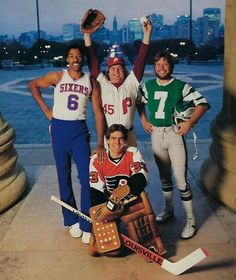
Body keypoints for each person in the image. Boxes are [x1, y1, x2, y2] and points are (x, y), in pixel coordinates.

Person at [28, 43, 105, 244]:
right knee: (63, 176)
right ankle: (71, 220)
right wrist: (47, 111)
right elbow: (33, 85)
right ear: (67, 60)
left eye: (79, 55)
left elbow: (98, 113)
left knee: (86, 178)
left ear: (83, 59)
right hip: (59, 130)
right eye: (71, 56)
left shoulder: (91, 82)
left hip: (79, 132)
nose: (75, 59)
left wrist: (100, 142)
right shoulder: (57, 77)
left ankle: (87, 223)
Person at [139, 51, 210, 239]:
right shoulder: (148, 86)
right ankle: (168, 209)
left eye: (165, 64)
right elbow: (139, 103)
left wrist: (189, 122)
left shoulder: (180, 86)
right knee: (164, 178)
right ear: (154, 67)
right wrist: (144, 121)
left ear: (171, 66)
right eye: (158, 64)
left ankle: (190, 220)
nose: (161, 67)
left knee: (181, 180)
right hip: (156, 134)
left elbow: (202, 103)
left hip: (174, 134)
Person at [89, 124, 166, 256]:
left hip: (129, 199)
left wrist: (121, 193)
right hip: (109, 203)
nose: (117, 142)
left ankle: (148, 241)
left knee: (144, 209)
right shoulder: (97, 159)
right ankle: (96, 239)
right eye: (113, 138)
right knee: (113, 251)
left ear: (126, 140)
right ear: (107, 140)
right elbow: (95, 191)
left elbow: (142, 178)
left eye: (121, 139)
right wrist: (106, 209)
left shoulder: (133, 152)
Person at [83, 18, 152, 147]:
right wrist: (87, 36)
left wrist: (147, 35)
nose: (116, 71)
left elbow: (141, 60)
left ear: (124, 71)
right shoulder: (103, 84)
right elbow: (92, 63)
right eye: (113, 69)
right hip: (109, 137)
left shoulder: (130, 84)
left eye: (120, 68)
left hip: (129, 136)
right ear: (107, 73)